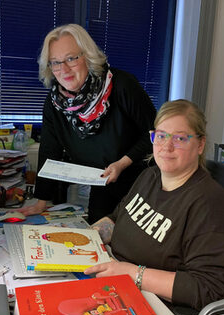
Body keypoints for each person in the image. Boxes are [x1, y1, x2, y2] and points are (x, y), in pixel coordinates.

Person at [84, 99, 224, 311]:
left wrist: (132, 274)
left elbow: (208, 288)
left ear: (200, 144)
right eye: (160, 136)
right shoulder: (149, 175)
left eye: (179, 138)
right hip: (113, 275)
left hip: (151, 303)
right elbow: (118, 218)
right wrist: (84, 238)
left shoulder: (210, 206)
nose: (166, 147)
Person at [18, 24, 156, 223]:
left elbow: (154, 134)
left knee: (132, 246)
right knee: (97, 241)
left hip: (141, 185)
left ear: (88, 56)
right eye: (55, 62)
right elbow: (50, 151)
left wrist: (122, 163)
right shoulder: (55, 102)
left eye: (71, 58)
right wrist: (42, 200)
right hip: (102, 186)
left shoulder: (122, 86)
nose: (63, 69)